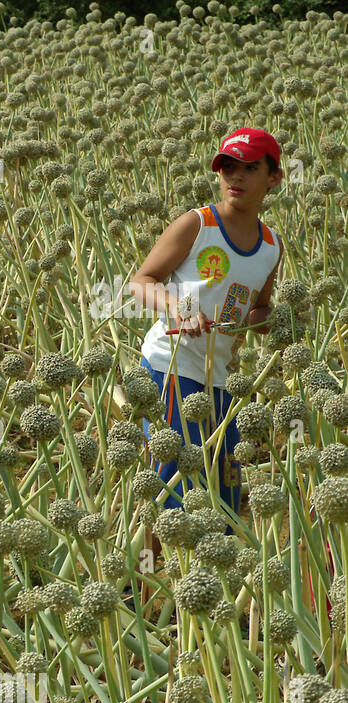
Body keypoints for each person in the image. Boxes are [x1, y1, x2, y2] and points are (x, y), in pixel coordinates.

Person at [132, 127, 283, 522]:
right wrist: (181, 308)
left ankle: (222, 577)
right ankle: (148, 576)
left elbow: (257, 312)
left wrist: (282, 321)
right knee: (178, 486)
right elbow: (141, 282)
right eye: (228, 167)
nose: (235, 177)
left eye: (250, 168)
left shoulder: (271, 246)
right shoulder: (197, 225)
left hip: (221, 379)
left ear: (274, 178)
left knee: (227, 486)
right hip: (171, 366)